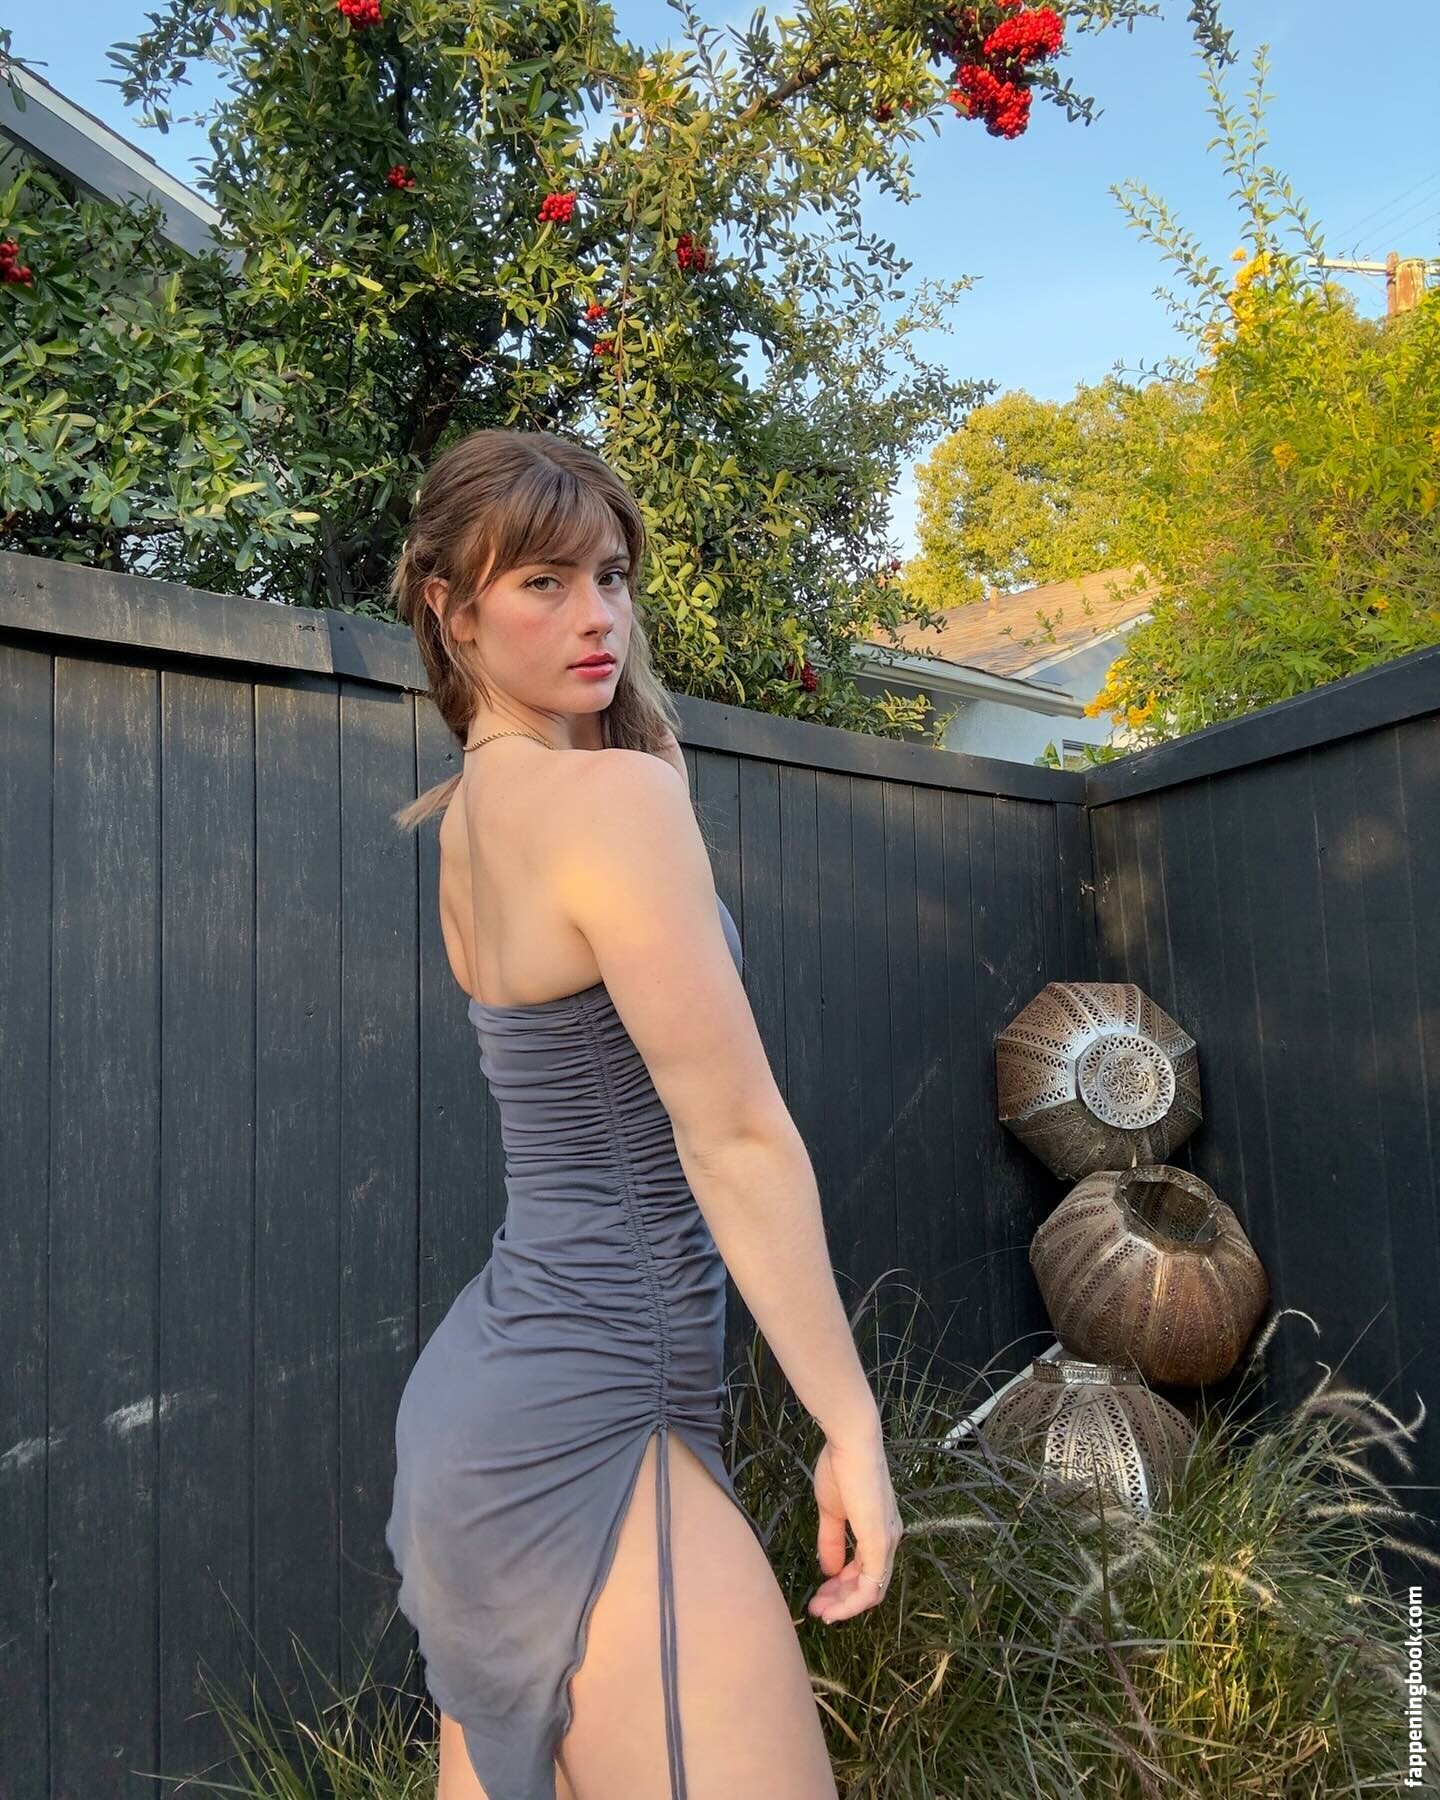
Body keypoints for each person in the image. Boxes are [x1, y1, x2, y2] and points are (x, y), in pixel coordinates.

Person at [384, 428, 901, 1800]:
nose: (596, 615)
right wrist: (851, 1425)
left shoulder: (473, 821)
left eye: (610, 575)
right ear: (450, 609)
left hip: (493, 1406)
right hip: (591, 1413)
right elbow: (732, 1137)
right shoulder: (612, 802)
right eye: (541, 582)